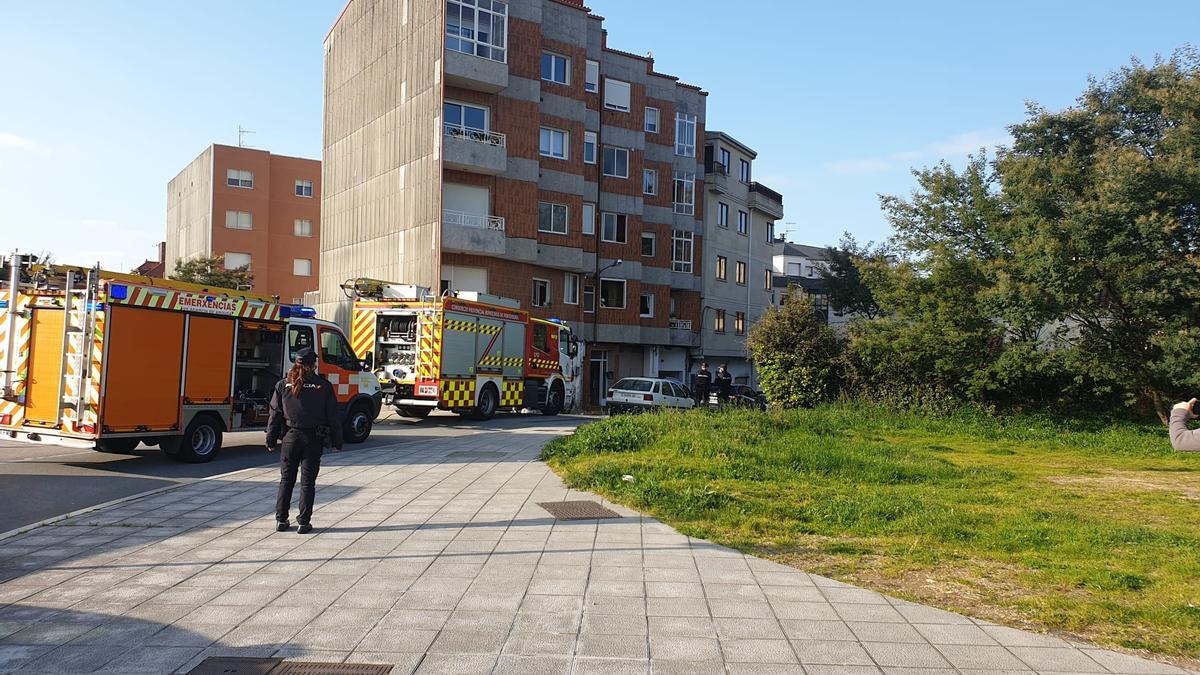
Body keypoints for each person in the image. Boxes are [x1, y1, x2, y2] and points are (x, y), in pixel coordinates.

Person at [266, 347, 343, 534]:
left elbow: (275, 415)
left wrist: (270, 440)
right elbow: (333, 416)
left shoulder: (283, 385)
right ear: (314, 365)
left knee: (286, 480)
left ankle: (281, 520)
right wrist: (337, 442)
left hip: (290, 438)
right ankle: (303, 522)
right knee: (308, 483)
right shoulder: (323, 386)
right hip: (313, 439)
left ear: (296, 363)